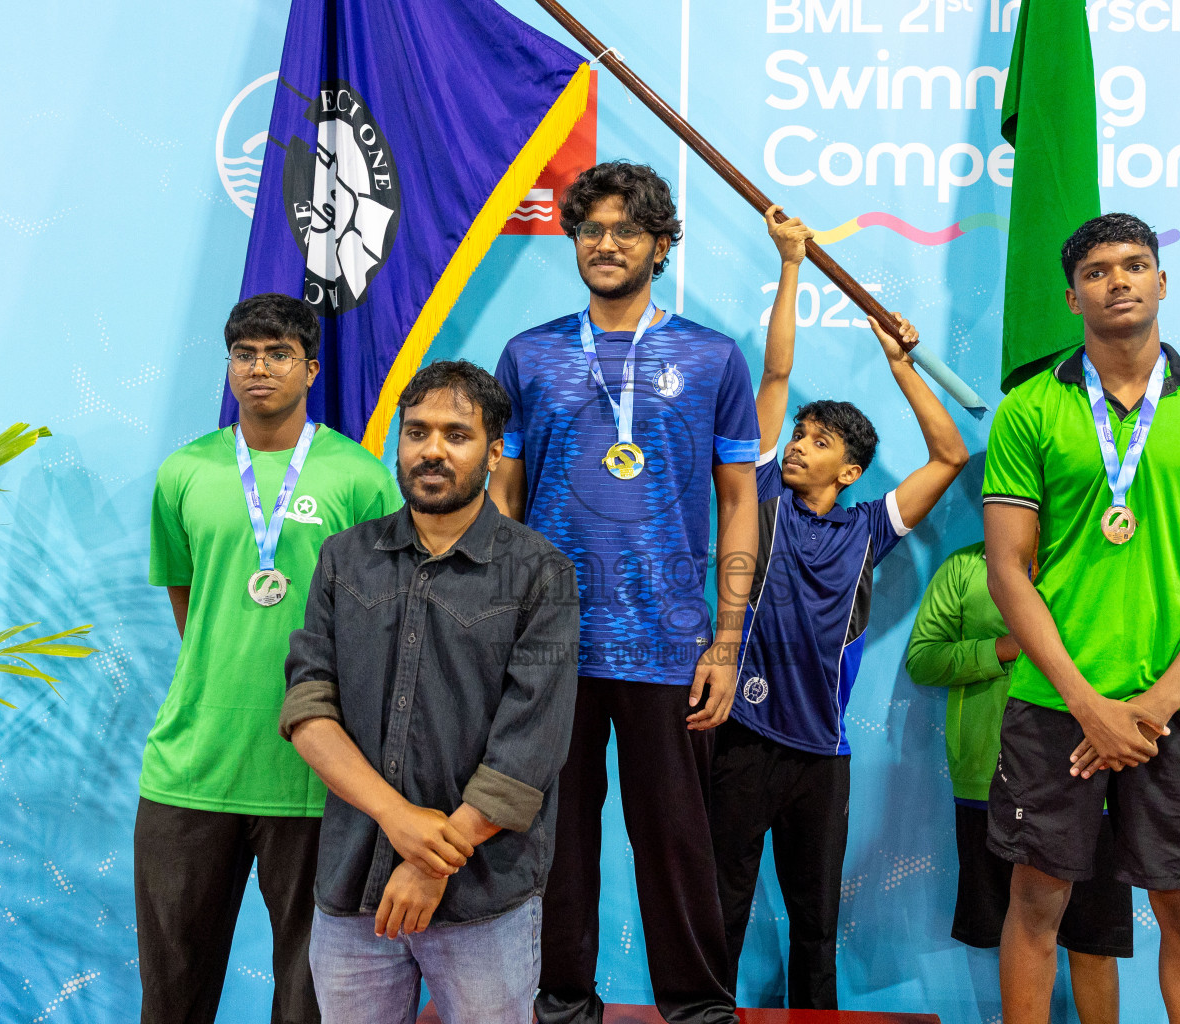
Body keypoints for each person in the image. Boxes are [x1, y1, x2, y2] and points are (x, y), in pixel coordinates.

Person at [983, 213, 1180, 1024]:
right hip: (1055, 704)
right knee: (1036, 904)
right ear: (1072, 297)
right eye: (1098, 271)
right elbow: (1007, 571)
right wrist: (1088, 704)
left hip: (1176, 708)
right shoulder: (1029, 409)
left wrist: (1155, 703)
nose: (1119, 281)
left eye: (1135, 265)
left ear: (1162, 282)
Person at [490, 161, 761, 1024]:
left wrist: (726, 642)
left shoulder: (713, 357)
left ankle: (699, 1012)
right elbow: (503, 499)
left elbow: (739, 502)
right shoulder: (529, 354)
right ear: (574, 240)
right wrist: (498, 629)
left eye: (628, 230)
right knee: (555, 847)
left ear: (661, 246)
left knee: (678, 845)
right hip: (550, 649)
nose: (607, 244)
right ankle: (562, 1006)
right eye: (591, 229)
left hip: (670, 646)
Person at [710, 207, 969, 1009]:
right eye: (800, 434)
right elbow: (776, 376)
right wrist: (792, 264)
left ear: (850, 472)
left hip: (821, 758)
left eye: (820, 441)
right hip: (741, 738)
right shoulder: (760, 495)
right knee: (719, 913)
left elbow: (950, 455)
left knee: (816, 930)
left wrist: (901, 367)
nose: (798, 444)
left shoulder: (867, 531)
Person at [280, 359, 579, 1024]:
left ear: (494, 452)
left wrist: (430, 863)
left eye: (456, 434)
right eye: (417, 432)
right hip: (354, 888)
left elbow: (529, 749)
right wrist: (397, 819)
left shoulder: (540, 574)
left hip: (484, 897)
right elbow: (308, 708)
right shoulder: (344, 558)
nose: (432, 450)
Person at [138, 293, 402, 1024]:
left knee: (309, 998)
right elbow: (191, 603)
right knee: (171, 996)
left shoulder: (360, 478)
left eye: (278, 354)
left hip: (316, 775)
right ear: (229, 366)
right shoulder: (183, 473)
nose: (259, 368)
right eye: (245, 354)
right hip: (193, 769)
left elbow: (380, 616)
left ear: (311, 369)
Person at [907, 541, 1132, 1024]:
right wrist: (1004, 647)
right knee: (1012, 933)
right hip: (987, 780)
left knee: (1094, 941)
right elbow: (922, 659)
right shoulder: (963, 568)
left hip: (1087, 774)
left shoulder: (1092, 559)